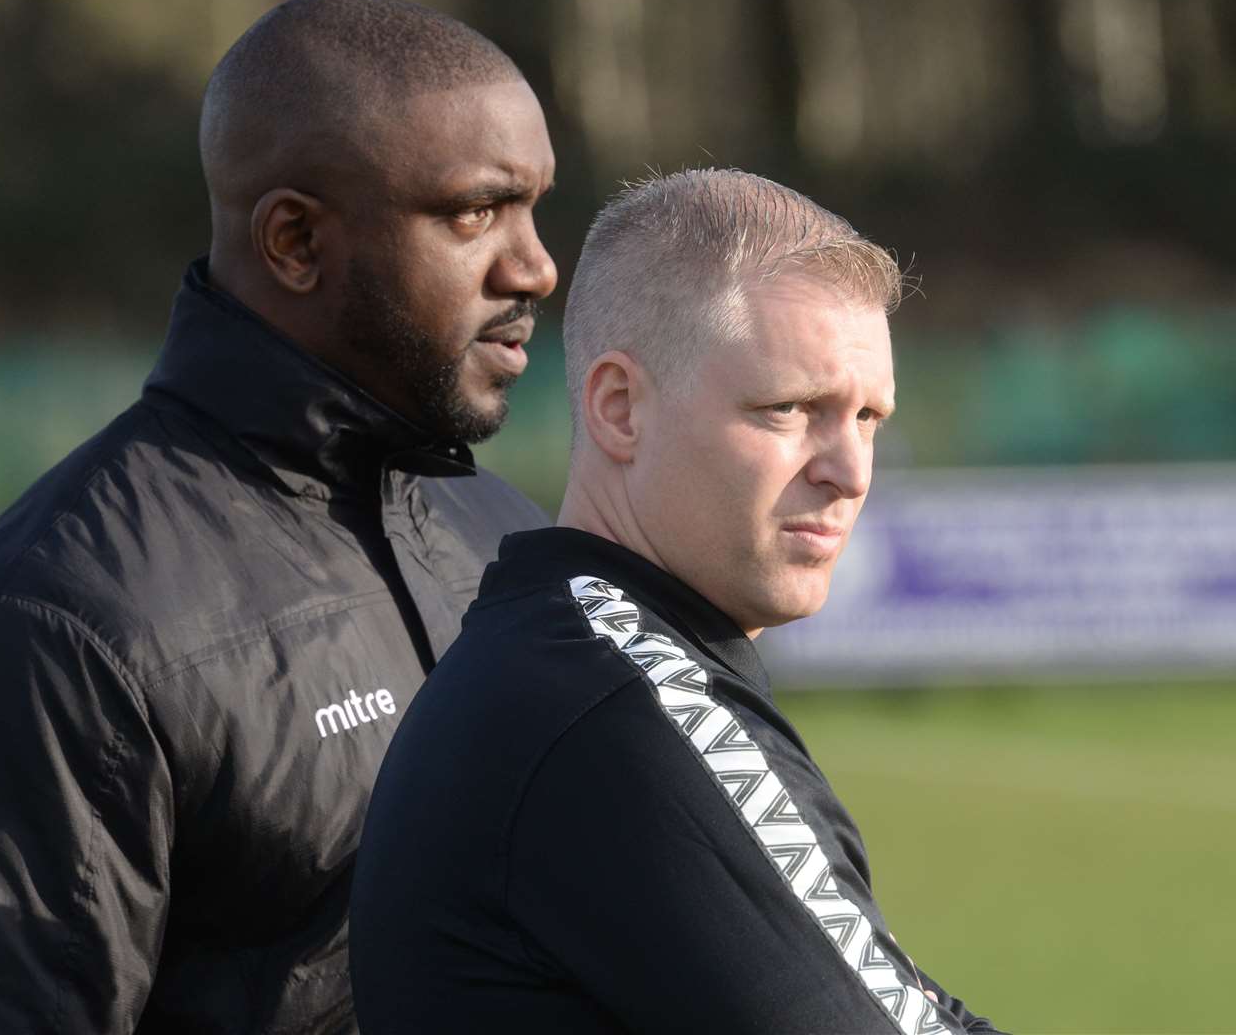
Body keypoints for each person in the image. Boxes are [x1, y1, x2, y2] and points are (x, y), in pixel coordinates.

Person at [0, 0, 556, 1033]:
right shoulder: (44, 635)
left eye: (534, 209)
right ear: (292, 241)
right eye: (474, 212)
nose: (535, 266)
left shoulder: (506, 537)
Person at [349, 168, 1004, 1034]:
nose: (849, 472)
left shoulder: (566, 658)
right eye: (792, 409)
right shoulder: (622, 710)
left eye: (868, 418)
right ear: (620, 409)